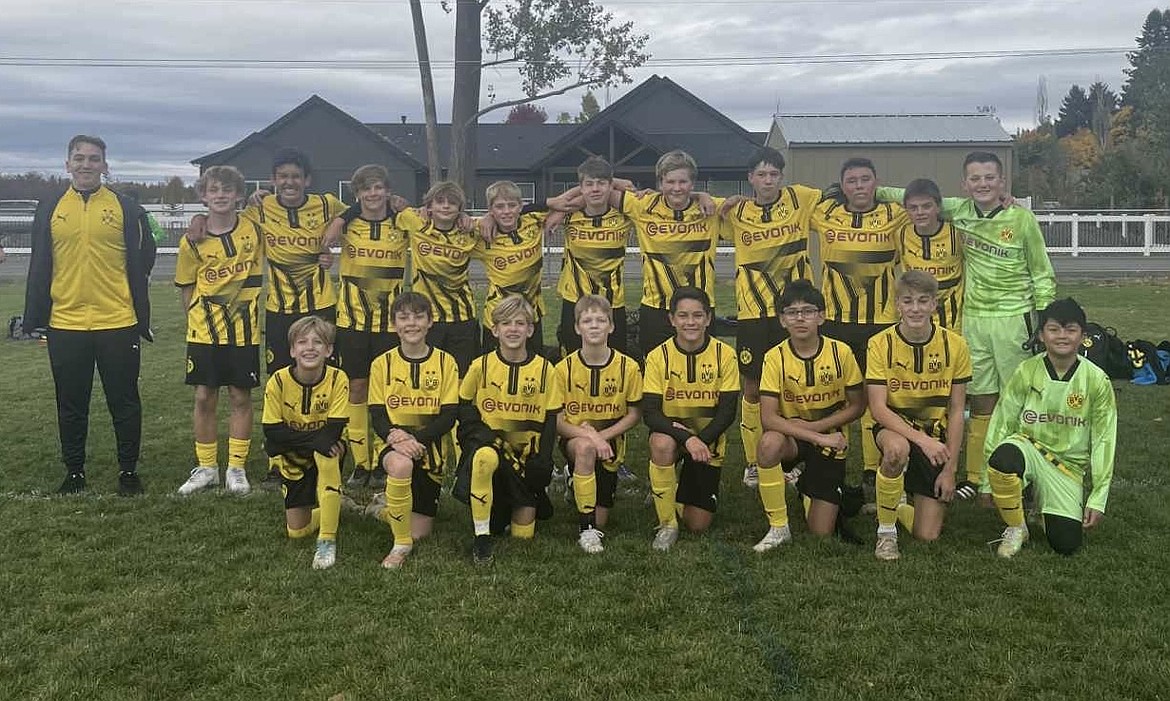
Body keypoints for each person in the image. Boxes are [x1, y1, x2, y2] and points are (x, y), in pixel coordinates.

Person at [877, 152, 1056, 500]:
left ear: (1002, 182)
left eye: (990, 177)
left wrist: (1044, 320)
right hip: (972, 319)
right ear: (965, 185)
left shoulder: (1021, 219)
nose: (983, 184)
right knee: (982, 401)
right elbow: (906, 196)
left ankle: (1026, 470)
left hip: (1012, 318)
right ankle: (978, 479)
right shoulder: (959, 211)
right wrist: (870, 190)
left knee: (1018, 400)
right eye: (975, 179)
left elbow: (1042, 273)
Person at [189, 147, 347, 489]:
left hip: (321, 305)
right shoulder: (260, 208)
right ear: (273, 181)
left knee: (329, 379)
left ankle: (328, 449)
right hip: (279, 310)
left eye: (296, 176)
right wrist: (197, 219)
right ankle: (279, 460)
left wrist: (336, 228)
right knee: (281, 385)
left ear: (306, 180)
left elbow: (360, 208)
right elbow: (222, 216)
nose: (289, 182)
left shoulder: (325, 204)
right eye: (282, 177)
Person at [23, 135, 157, 495]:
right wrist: (36, 313)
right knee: (71, 403)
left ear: (104, 166)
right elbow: (39, 262)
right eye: (79, 158)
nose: (86, 165)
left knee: (124, 401)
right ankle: (74, 472)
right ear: (67, 164)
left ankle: (128, 472)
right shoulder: (50, 206)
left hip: (118, 321)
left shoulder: (126, 207)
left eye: (94, 159)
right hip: (65, 323)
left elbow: (146, 253)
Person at [718, 147, 821, 490]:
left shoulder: (801, 198)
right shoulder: (736, 211)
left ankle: (800, 459)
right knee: (752, 385)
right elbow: (696, 201)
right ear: (750, 178)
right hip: (753, 313)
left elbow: (845, 195)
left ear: (781, 176)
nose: (767, 180)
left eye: (773, 174)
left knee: (798, 384)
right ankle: (752, 462)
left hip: (796, 311)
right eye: (761, 174)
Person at [982, 298, 1116, 557]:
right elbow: (1002, 422)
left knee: (1066, 544)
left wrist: (1098, 497)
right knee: (1004, 458)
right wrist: (987, 482)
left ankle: (1041, 505)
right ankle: (1016, 526)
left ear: (1083, 336)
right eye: (1054, 329)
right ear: (1041, 335)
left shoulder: (1097, 380)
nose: (1062, 336)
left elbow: (1104, 439)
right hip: (1028, 448)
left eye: (1070, 329)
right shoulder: (1027, 370)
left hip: (1066, 467)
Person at [811, 157, 908, 509]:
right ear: (842, 185)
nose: (859, 187)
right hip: (836, 321)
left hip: (880, 323)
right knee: (840, 395)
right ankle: (834, 460)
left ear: (876, 183)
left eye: (865, 180)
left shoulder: (895, 214)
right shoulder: (824, 213)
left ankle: (871, 468)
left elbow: (931, 202)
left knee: (875, 395)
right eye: (851, 181)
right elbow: (784, 203)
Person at [865, 271, 971, 561]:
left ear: (934, 305)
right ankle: (886, 533)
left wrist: (950, 471)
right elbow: (878, 409)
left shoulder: (956, 345)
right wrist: (922, 442)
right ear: (897, 304)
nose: (915, 308)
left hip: (935, 440)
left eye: (923, 301)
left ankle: (894, 502)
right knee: (897, 450)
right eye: (908, 301)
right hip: (896, 428)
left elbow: (957, 410)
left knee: (927, 535)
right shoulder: (879, 343)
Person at [753, 280, 865, 551]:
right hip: (793, 439)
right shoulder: (774, 357)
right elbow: (768, 418)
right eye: (792, 312)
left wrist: (818, 430)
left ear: (821, 316)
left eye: (807, 311)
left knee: (821, 533)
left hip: (830, 440)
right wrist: (815, 436)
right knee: (768, 444)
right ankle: (778, 527)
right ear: (782, 320)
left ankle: (807, 487)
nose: (800, 318)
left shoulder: (841, 353)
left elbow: (858, 406)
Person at [174, 165, 262, 496]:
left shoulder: (254, 228)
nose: (221, 195)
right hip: (204, 331)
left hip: (244, 330)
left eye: (227, 189)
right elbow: (186, 286)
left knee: (240, 395)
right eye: (214, 190)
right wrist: (193, 321)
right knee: (203, 396)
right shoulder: (191, 241)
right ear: (203, 196)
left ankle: (236, 468)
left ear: (239, 194)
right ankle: (207, 467)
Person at [319, 165, 407, 489]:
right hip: (352, 321)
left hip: (389, 324)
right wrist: (344, 216)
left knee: (387, 391)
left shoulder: (401, 221)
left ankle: (386, 455)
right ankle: (361, 462)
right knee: (356, 387)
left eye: (378, 188)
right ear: (357, 194)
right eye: (365, 189)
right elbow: (324, 237)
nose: (373, 194)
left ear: (387, 190)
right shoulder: (348, 221)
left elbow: (432, 221)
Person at [456, 295, 556, 564]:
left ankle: (516, 506)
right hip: (492, 459)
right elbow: (464, 408)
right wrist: (479, 436)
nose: (513, 329)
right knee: (485, 456)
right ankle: (481, 538)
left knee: (523, 536)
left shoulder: (546, 369)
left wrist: (544, 460)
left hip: (525, 463)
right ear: (495, 330)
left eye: (520, 323)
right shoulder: (480, 366)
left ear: (530, 329)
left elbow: (551, 420)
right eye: (506, 323)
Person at [642, 287, 740, 551]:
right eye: (683, 316)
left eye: (698, 315)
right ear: (672, 319)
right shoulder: (657, 356)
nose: (690, 322)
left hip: (707, 443)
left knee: (698, 525)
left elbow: (728, 412)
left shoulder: (725, 355)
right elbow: (650, 413)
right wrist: (687, 439)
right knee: (661, 443)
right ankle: (666, 525)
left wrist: (700, 441)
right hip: (675, 437)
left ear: (708, 319)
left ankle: (668, 491)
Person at [367, 292, 460, 568]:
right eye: (404, 317)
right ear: (394, 324)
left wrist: (415, 438)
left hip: (428, 447)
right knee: (400, 465)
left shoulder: (446, 362)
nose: (412, 324)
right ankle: (399, 546)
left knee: (421, 532)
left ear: (430, 322)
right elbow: (378, 414)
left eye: (419, 317)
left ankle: (382, 510)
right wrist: (396, 439)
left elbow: (449, 416)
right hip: (393, 444)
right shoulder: (381, 364)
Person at [547, 295, 643, 553]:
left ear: (611, 326)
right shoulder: (563, 369)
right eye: (587, 320)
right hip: (575, 438)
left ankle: (573, 480)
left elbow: (634, 415)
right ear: (577, 328)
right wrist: (592, 438)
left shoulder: (629, 367)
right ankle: (587, 531)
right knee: (585, 450)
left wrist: (603, 436)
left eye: (601, 320)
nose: (594, 325)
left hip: (611, 442)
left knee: (604, 516)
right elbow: (557, 422)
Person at [261, 316, 349, 569]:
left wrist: (283, 442)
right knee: (296, 531)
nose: (309, 348)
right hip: (294, 457)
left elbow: (332, 431)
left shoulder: (338, 378)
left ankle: (327, 541)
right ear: (292, 350)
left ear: (329, 350)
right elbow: (272, 432)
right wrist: (292, 442)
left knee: (329, 452)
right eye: (302, 342)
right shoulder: (277, 380)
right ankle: (335, 505)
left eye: (317, 342)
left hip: (323, 449)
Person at [554, 157, 633, 355]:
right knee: (573, 361)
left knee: (615, 362)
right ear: (580, 187)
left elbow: (662, 200)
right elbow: (523, 212)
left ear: (610, 186)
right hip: (574, 299)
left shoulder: (625, 214)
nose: (595, 189)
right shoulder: (567, 215)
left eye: (601, 183)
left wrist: (700, 195)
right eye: (589, 184)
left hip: (613, 301)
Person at [898, 179, 964, 330]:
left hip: (951, 323)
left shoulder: (957, 233)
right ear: (906, 210)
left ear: (938, 207)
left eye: (926, 206)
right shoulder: (901, 234)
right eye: (913, 208)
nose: (920, 212)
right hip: (914, 321)